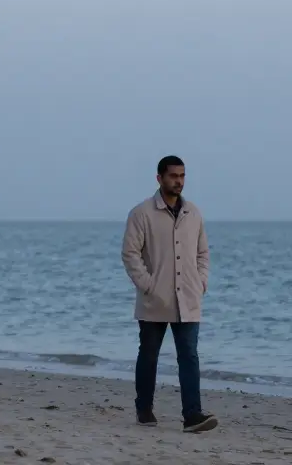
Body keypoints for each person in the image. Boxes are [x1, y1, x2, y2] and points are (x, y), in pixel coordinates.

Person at [121, 155, 218, 433]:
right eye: (173, 176)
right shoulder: (141, 214)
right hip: (155, 299)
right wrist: (148, 285)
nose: (179, 181)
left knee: (189, 355)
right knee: (149, 355)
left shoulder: (194, 214)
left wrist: (201, 281)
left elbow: (203, 253)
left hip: (188, 298)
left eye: (182, 176)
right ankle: (144, 409)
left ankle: (192, 416)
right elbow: (130, 254)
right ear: (159, 178)